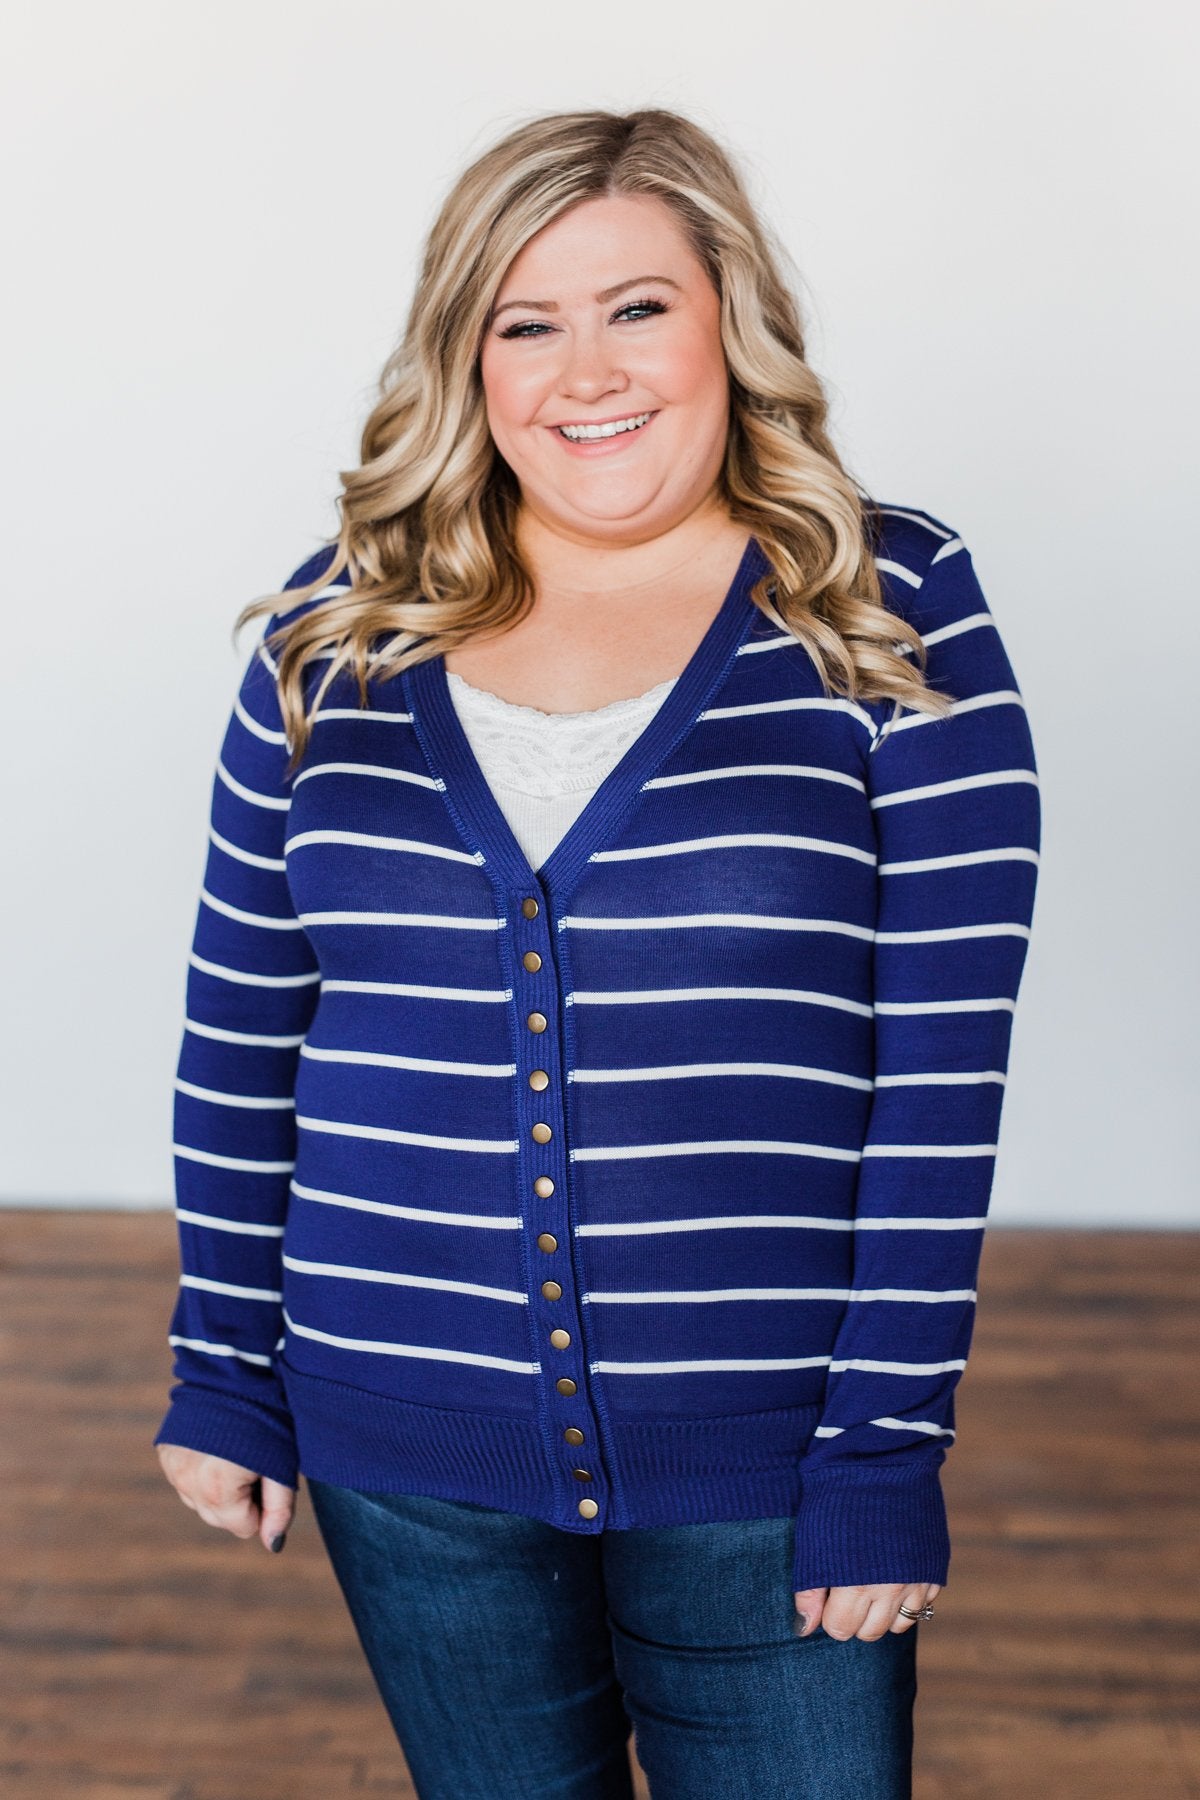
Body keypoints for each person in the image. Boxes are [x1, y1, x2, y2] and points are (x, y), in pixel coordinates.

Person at [154, 106, 1041, 1799]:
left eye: (638, 306)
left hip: (767, 1464)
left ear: (730, 322)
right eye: (527, 323)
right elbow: (241, 1033)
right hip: (401, 1449)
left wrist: (882, 1446)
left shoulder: (886, 604)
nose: (587, 371)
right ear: (466, 358)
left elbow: (940, 1084)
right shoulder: (337, 627)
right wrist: (223, 1368)